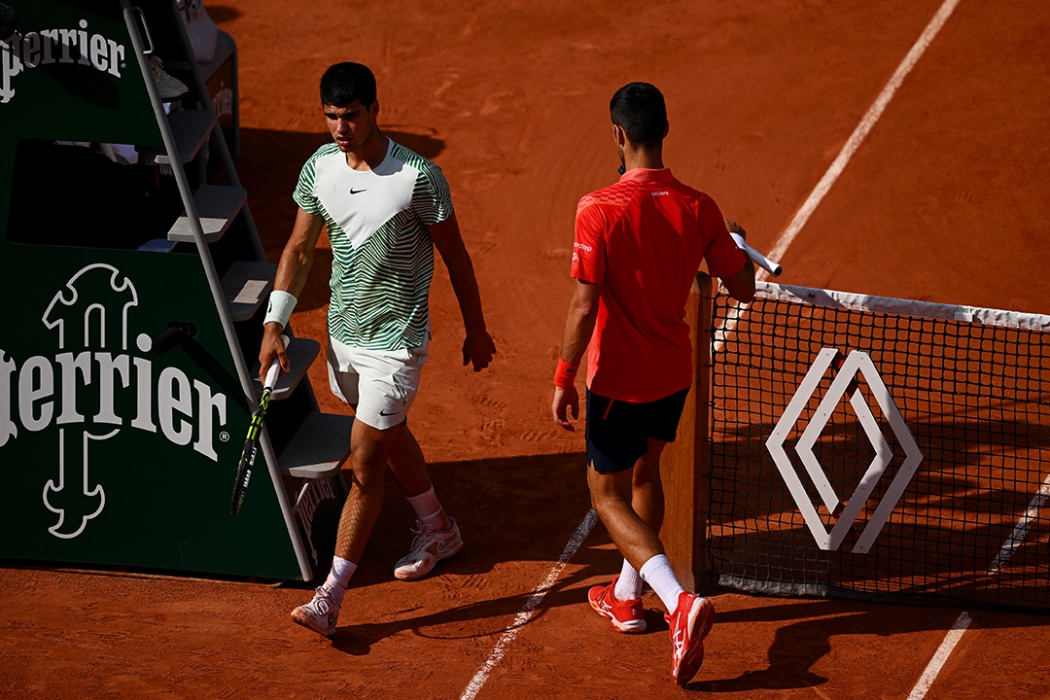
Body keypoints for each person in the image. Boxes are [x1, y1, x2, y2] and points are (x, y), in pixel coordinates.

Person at [259, 62, 496, 638]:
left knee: (366, 460)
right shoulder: (319, 168)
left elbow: (456, 257)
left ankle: (330, 597)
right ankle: (438, 528)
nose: (341, 127)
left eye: (351, 115)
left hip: (397, 343)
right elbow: (298, 249)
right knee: (388, 436)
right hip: (344, 338)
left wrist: (476, 328)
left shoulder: (418, 177)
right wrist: (274, 322)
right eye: (331, 116)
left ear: (374, 110)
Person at [551, 82, 755, 685]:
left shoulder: (598, 208)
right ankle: (625, 597)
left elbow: (583, 306)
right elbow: (743, 287)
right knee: (646, 475)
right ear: (664, 130)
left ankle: (677, 602)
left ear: (618, 134)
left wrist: (564, 375)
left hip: (618, 379)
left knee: (606, 495)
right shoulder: (701, 207)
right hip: (672, 375)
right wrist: (734, 244)